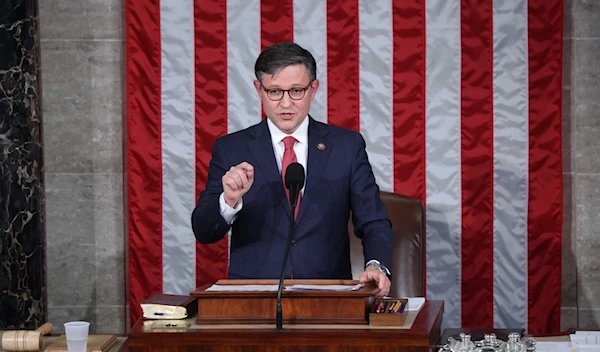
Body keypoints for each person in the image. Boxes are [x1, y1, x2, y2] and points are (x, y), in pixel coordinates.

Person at [191, 42, 394, 296]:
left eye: (296, 90)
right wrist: (228, 201)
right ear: (259, 90)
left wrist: (376, 264)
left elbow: (374, 220)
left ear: (313, 89)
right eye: (275, 91)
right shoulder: (232, 148)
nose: (286, 103)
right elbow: (203, 231)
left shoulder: (346, 146)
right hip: (254, 297)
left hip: (328, 296)